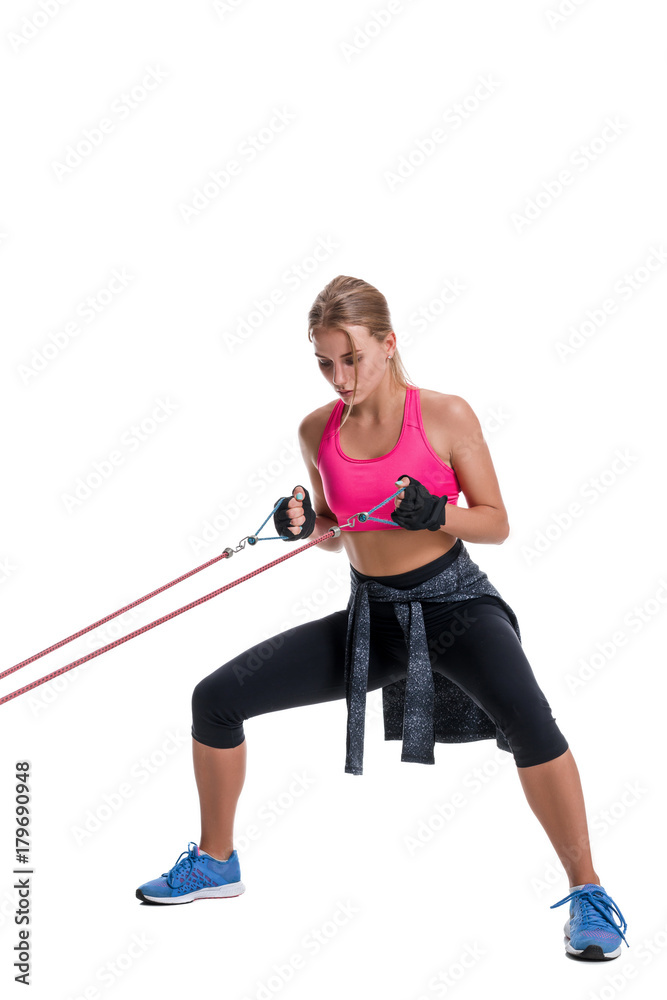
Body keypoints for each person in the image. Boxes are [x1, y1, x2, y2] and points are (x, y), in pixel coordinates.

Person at [136, 275, 629, 962]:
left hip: (456, 606)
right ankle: (217, 862)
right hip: (374, 619)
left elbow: (496, 523)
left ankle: (587, 893)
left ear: (388, 344)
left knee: (530, 722)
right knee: (215, 699)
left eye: (352, 358)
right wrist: (305, 523)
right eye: (324, 362)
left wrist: (437, 514)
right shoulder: (316, 429)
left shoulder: (446, 415)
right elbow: (337, 531)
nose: (339, 377)